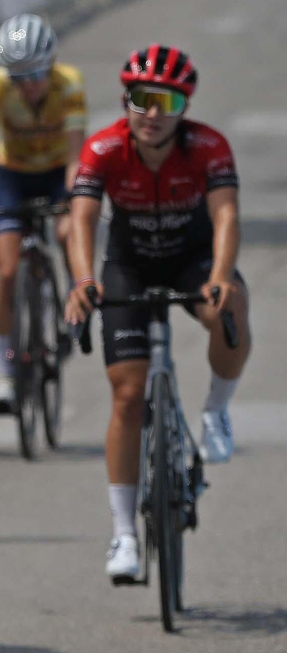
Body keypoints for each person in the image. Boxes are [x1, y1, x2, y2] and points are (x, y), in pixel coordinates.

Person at [63, 46, 251, 582]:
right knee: (127, 393)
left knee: (232, 303)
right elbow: (82, 219)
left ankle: (216, 411)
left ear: (183, 107)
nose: (152, 113)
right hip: (131, 264)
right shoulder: (103, 149)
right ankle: (123, 533)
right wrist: (82, 281)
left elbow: (227, 214)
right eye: (142, 99)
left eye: (166, 102)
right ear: (127, 100)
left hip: (192, 259)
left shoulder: (209, 147)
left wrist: (218, 276)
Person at [0, 13, 84, 414]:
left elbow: (78, 152)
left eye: (35, 76)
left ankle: (73, 301)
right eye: (18, 78)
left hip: (56, 174)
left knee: (67, 231)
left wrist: (73, 197)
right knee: (8, 272)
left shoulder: (69, 85)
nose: (27, 86)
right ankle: (5, 370)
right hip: (13, 177)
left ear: (50, 66)